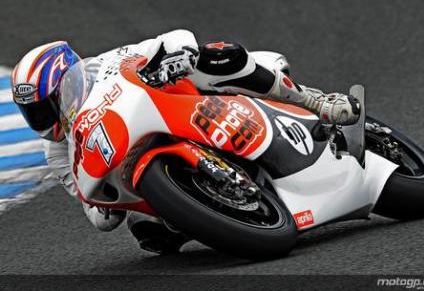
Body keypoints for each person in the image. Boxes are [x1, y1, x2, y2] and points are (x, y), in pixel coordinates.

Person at [11, 29, 360, 254]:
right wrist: (103, 206)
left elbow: (174, 40)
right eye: (35, 112)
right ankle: (215, 210)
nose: (45, 118)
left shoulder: (107, 63)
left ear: (69, 83)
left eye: (48, 106)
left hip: (192, 105)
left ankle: (314, 102)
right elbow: (95, 212)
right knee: (149, 234)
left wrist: (173, 57)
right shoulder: (57, 151)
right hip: (143, 162)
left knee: (220, 56)